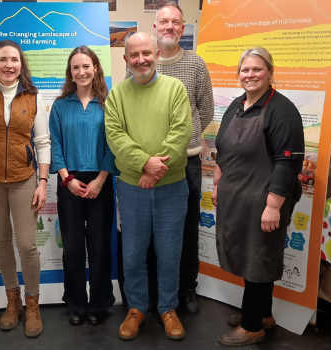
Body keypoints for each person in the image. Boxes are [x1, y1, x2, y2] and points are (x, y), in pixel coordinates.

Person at [120, 1, 215, 315]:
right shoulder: (137, 66)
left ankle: (185, 290)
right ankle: (149, 296)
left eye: (176, 22)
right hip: (142, 166)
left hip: (184, 162)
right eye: (164, 22)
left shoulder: (196, 64)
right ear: (156, 27)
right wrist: (146, 163)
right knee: (145, 236)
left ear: (182, 28)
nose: (170, 27)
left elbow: (204, 109)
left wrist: (166, 158)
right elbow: (127, 116)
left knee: (183, 232)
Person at [212, 46, 304, 346]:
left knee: (258, 258)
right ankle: (263, 313)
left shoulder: (283, 110)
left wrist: (273, 206)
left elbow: (288, 162)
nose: (250, 75)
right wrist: (217, 185)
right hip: (238, 198)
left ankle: (253, 327)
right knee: (251, 257)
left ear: (270, 72)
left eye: (256, 69)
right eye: (245, 70)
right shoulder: (237, 105)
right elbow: (223, 151)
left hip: (265, 200)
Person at [105, 32, 192, 341]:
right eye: (134, 55)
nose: (140, 59)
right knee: (133, 253)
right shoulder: (117, 95)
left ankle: (168, 308)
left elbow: (181, 132)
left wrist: (154, 173)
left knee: (170, 253)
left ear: (155, 53)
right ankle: (136, 308)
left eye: (146, 53)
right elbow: (115, 136)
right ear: (126, 59)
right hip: (132, 189)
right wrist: (145, 164)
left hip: (172, 187)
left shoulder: (175, 89)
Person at [0, 39, 51, 338]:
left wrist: (42, 182)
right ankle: (11, 301)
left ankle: (33, 304)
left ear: (20, 64)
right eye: (2, 60)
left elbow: (42, 142)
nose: (8, 65)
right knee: (2, 243)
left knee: (27, 245)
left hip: (24, 179)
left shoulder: (33, 97)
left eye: (14, 60)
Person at [48, 46, 118, 327]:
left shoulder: (109, 103)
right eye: (76, 67)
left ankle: (100, 303)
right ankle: (77, 302)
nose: (82, 72)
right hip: (69, 181)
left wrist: (100, 180)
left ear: (96, 68)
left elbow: (115, 144)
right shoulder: (61, 105)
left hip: (101, 179)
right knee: (74, 247)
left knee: (100, 247)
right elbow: (55, 145)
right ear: (70, 72)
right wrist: (67, 179)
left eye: (86, 66)